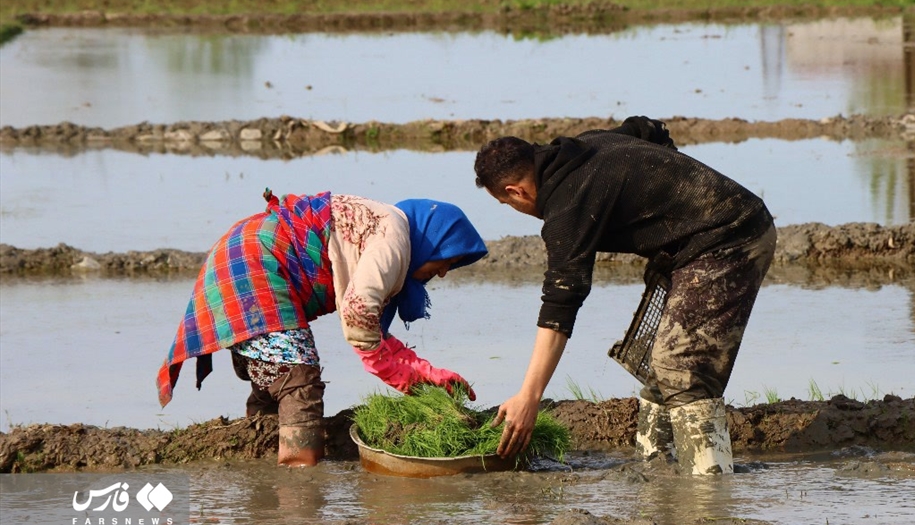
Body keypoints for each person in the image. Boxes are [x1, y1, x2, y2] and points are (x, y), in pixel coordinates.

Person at [473, 116, 776, 475]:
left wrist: (529, 396)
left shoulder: (567, 207)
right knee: (661, 369)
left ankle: (709, 492)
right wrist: (672, 206)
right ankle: (656, 476)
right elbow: (648, 129)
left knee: (682, 371)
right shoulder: (586, 145)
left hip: (732, 236)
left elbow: (560, 303)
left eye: (507, 204)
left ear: (516, 192)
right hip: (705, 240)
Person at [156, 190, 488, 467]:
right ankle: (299, 480)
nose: (442, 272)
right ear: (432, 241)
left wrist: (426, 375)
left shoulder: (388, 226)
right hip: (255, 265)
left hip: (242, 254)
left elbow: (372, 330)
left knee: (277, 374)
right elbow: (359, 314)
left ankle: (261, 462)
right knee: (298, 377)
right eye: (447, 260)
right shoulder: (393, 240)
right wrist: (400, 375)